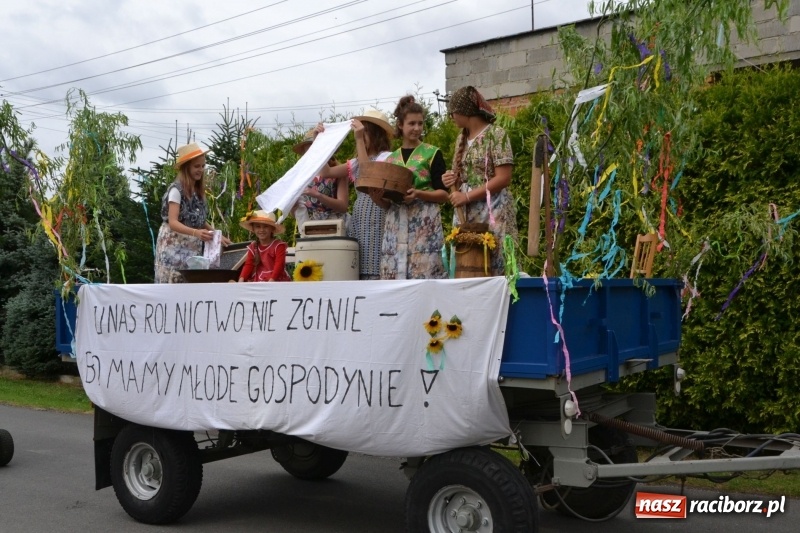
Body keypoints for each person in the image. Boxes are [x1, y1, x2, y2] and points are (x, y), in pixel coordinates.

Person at [442, 86, 518, 276]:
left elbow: (503, 178)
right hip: (465, 213)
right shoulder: (461, 138)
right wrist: (451, 179)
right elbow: (460, 179)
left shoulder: (496, 135)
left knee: (494, 262)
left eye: (453, 112)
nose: (451, 117)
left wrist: (467, 196)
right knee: (466, 265)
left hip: (494, 209)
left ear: (465, 111)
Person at [318, 110, 394, 280]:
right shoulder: (357, 161)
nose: (360, 135)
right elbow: (326, 172)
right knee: (357, 263)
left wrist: (358, 140)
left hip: (378, 212)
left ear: (375, 134)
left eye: (364, 131)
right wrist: (322, 141)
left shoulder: (387, 157)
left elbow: (367, 172)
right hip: (361, 216)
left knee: (375, 263)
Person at [380, 96, 448, 280]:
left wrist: (418, 193)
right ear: (400, 125)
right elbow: (386, 203)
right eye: (412, 123)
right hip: (395, 222)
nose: (417, 128)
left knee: (425, 275)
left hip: (425, 222)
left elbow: (444, 195)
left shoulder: (432, 153)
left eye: (420, 123)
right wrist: (375, 194)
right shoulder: (390, 160)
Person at [154, 142, 231, 283]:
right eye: (196, 166)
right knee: (173, 281)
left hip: (191, 246)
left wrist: (216, 235)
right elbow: (173, 222)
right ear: (186, 167)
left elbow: (200, 221)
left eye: (202, 166)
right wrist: (196, 233)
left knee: (190, 282)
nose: (200, 170)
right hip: (173, 245)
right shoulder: (176, 190)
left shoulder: (198, 192)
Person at [292, 127, 348, 224]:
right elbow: (295, 212)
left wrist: (318, 195)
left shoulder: (337, 170)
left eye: (315, 147)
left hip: (335, 224)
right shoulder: (302, 174)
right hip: (310, 226)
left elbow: (343, 206)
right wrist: (293, 207)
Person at [238, 210, 291, 282]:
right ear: (253, 229)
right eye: (258, 226)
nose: (261, 230)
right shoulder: (253, 246)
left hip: (277, 280)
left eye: (265, 226)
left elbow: (279, 265)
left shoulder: (278, 246)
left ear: (272, 228)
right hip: (260, 279)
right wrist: (241, 279)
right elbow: (249, 264)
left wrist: (271, 281)